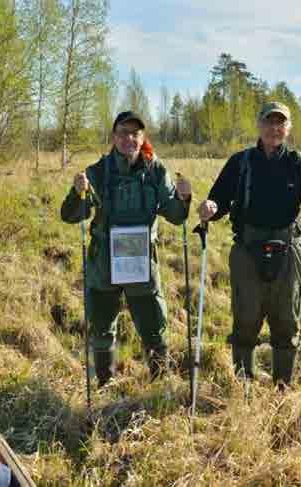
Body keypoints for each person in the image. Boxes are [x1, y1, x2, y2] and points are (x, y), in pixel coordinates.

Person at [197, 101, 301, 387]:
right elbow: (219, 198)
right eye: (269, 122)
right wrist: (211, 207)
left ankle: (282, 390)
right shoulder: (240, 163)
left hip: (289, 252)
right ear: (259, 125)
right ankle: (244, 387)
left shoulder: (298, 164)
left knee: (287, 320)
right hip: (247, 251)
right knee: (245, 319)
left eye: (280, 123)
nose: (274, 129)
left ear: (288, 129)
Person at [61, 111, 191, 386]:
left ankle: (159, 387)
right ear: (113, 137)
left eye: (135, 133)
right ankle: (104, 384)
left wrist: (184, 197)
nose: (129, 139)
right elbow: (72, 215)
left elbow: (176, 215)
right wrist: (77, 192)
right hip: (104, 263)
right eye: (123, 133)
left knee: (154, 328)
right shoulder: (97, 171)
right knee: (101, 328)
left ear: (143, 138)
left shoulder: (157, 171)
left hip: (142, 262)